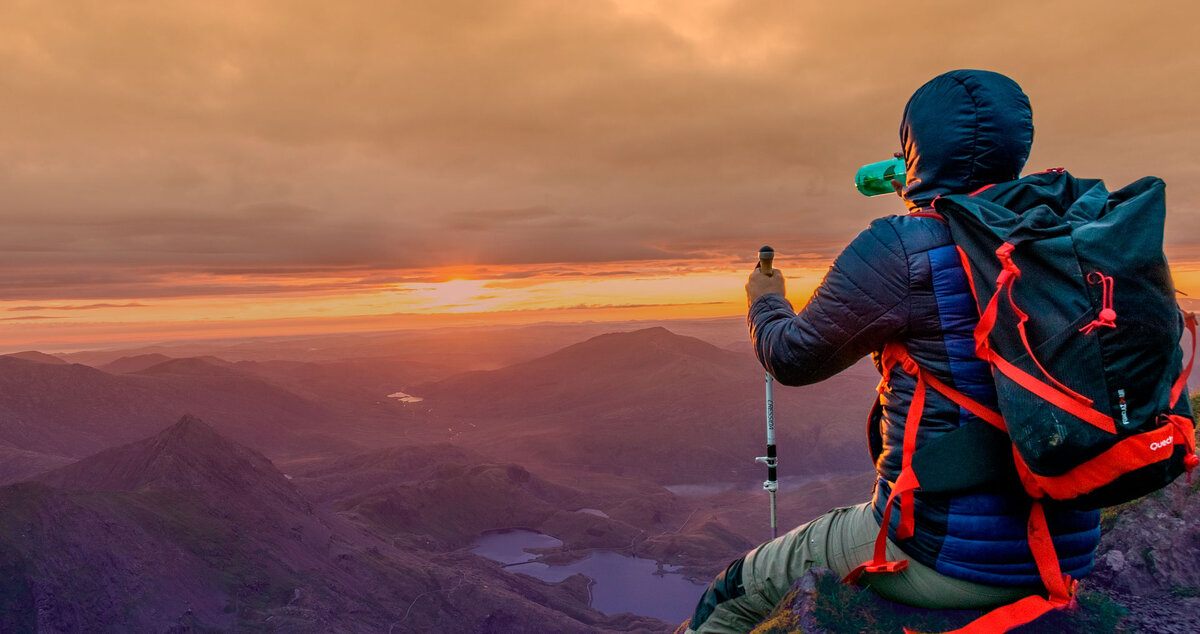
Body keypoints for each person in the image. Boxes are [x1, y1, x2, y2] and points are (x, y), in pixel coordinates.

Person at [684, 69, 1102, 634]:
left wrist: (765, 302)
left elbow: (791, 357)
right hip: (1069, 546)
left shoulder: (903, 245)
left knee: (732, 593)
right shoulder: (1074, 237)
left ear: (916, 146)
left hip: (943, 555)